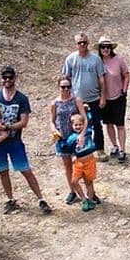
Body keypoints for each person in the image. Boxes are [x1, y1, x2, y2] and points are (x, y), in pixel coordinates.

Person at [0, 66, 52, 215]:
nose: (7, 80)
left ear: (15, 78)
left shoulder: (21, 98)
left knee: (26, 170)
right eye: (4, 77)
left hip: (14, 141)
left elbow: (24, 122)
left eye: (10, 77)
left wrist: (8, 127)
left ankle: (41, 199)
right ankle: (10, 199)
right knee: (3, 171)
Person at [62, 31, 108, 162]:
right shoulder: (71, 59)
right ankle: (76, 149)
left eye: (84, 42)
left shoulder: (96, 59)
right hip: (77, 99)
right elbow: (66, 78)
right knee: (75, 124)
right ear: (76, 44)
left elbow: (102, 79)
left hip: (94, 98)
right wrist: (67, 96)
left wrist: (103, 96)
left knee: (96, 124)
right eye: (79, 43)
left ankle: (99, 149)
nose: (82, 45)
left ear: (88, 43)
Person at [50, 76, 86, 204]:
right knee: (67, 166)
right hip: (62, 138)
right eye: (63, 87)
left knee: (82, 165)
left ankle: (89, 192)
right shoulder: (55, 103)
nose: (65, 89)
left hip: (75, 138)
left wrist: (82, 135)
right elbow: (52, 121)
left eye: (68, 86)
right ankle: (73, 191)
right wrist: (54, 130)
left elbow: (84, 118)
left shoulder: (77, 100)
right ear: (58, 87)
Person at [98, 36, 130, 162]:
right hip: (104, 98)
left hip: (118, 96)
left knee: (120, 124)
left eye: (108, 47)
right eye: (103, 47)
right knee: (108, 123)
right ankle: (114, 146)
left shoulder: (118, 60)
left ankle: (122, 149)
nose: (105, 49)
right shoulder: (97, 61)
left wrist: (125, 90)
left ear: (111, 48)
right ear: (100, 49)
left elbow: (126, 74)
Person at [66, 113, 98, 212]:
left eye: (80, 124)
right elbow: (70, 150)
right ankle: (83, 199)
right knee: (74, 181)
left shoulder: (87, 132)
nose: (78, 127)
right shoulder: (71, 138)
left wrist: (86, 110)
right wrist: (73, 156)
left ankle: (91, 200)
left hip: (89, 161)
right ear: (72, 126)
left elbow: (89, 119)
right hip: (78, 162)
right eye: (76, 125)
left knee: (89, 182)